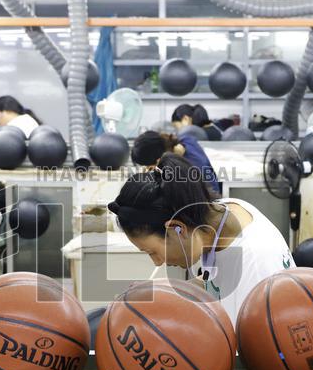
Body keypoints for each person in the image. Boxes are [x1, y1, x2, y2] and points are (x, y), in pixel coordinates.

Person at [108, 154, 294, 325]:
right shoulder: (221, 214)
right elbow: (215, 281)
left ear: (177, 228)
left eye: (152, 252)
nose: (157, 262)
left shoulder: (256, 262)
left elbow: (257, 344)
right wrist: (159, 291)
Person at [131, 130, 221, 194]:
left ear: (157, 160)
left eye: (148, 166)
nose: (148, 169)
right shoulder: (187, 140)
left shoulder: (180, 174)